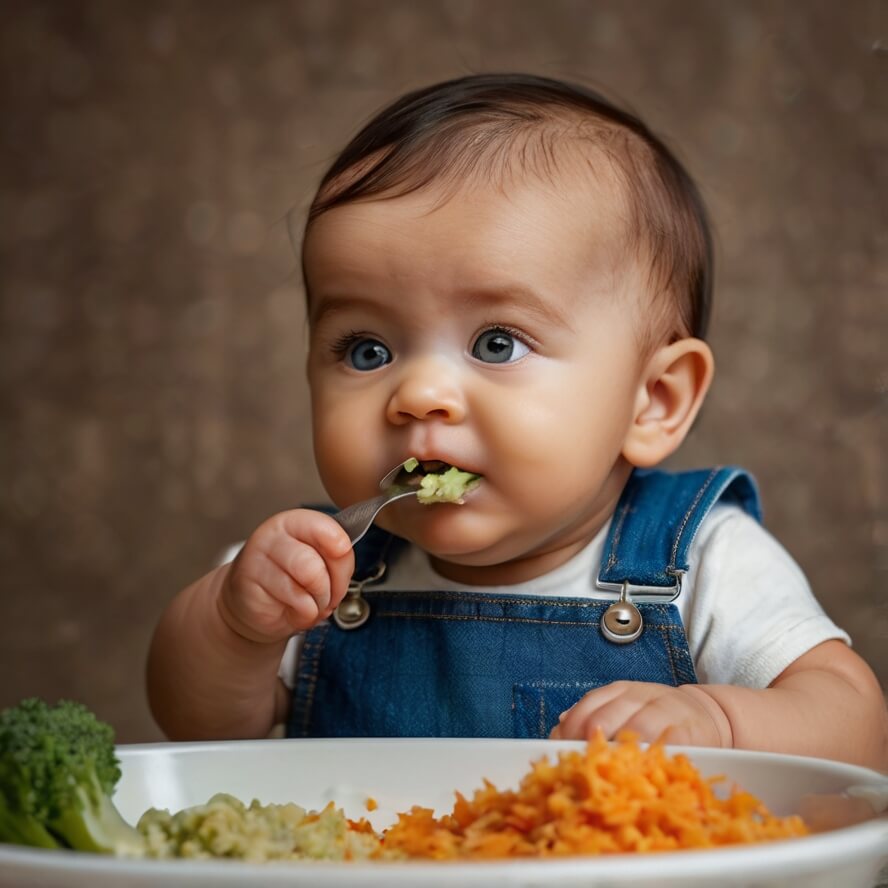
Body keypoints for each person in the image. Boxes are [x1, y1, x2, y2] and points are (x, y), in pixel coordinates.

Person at [146, 73, 888, 768]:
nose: (418, 395)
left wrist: (721, 723)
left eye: (496, 343)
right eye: (367, 349)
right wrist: (235, 627)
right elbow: (198, 726)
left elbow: (858, 728)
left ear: (653, 400)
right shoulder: (317, 572)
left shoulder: (701, 563)